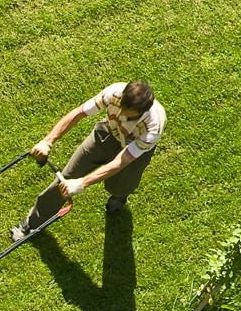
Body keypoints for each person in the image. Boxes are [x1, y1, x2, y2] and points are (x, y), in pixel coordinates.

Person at [10, 80, 166, 242]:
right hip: (108, 132)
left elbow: (122, 160)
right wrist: (47, 141)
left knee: (120, 186)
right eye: (120, 107)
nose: (120, 115)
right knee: (66, 177)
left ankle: (119, 196)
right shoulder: (115, 92)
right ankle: (32, 222)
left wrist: (82, 183)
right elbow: (79, 113)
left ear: (142, 111)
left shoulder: (154, 126)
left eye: (127, 113)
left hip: (132, 147)